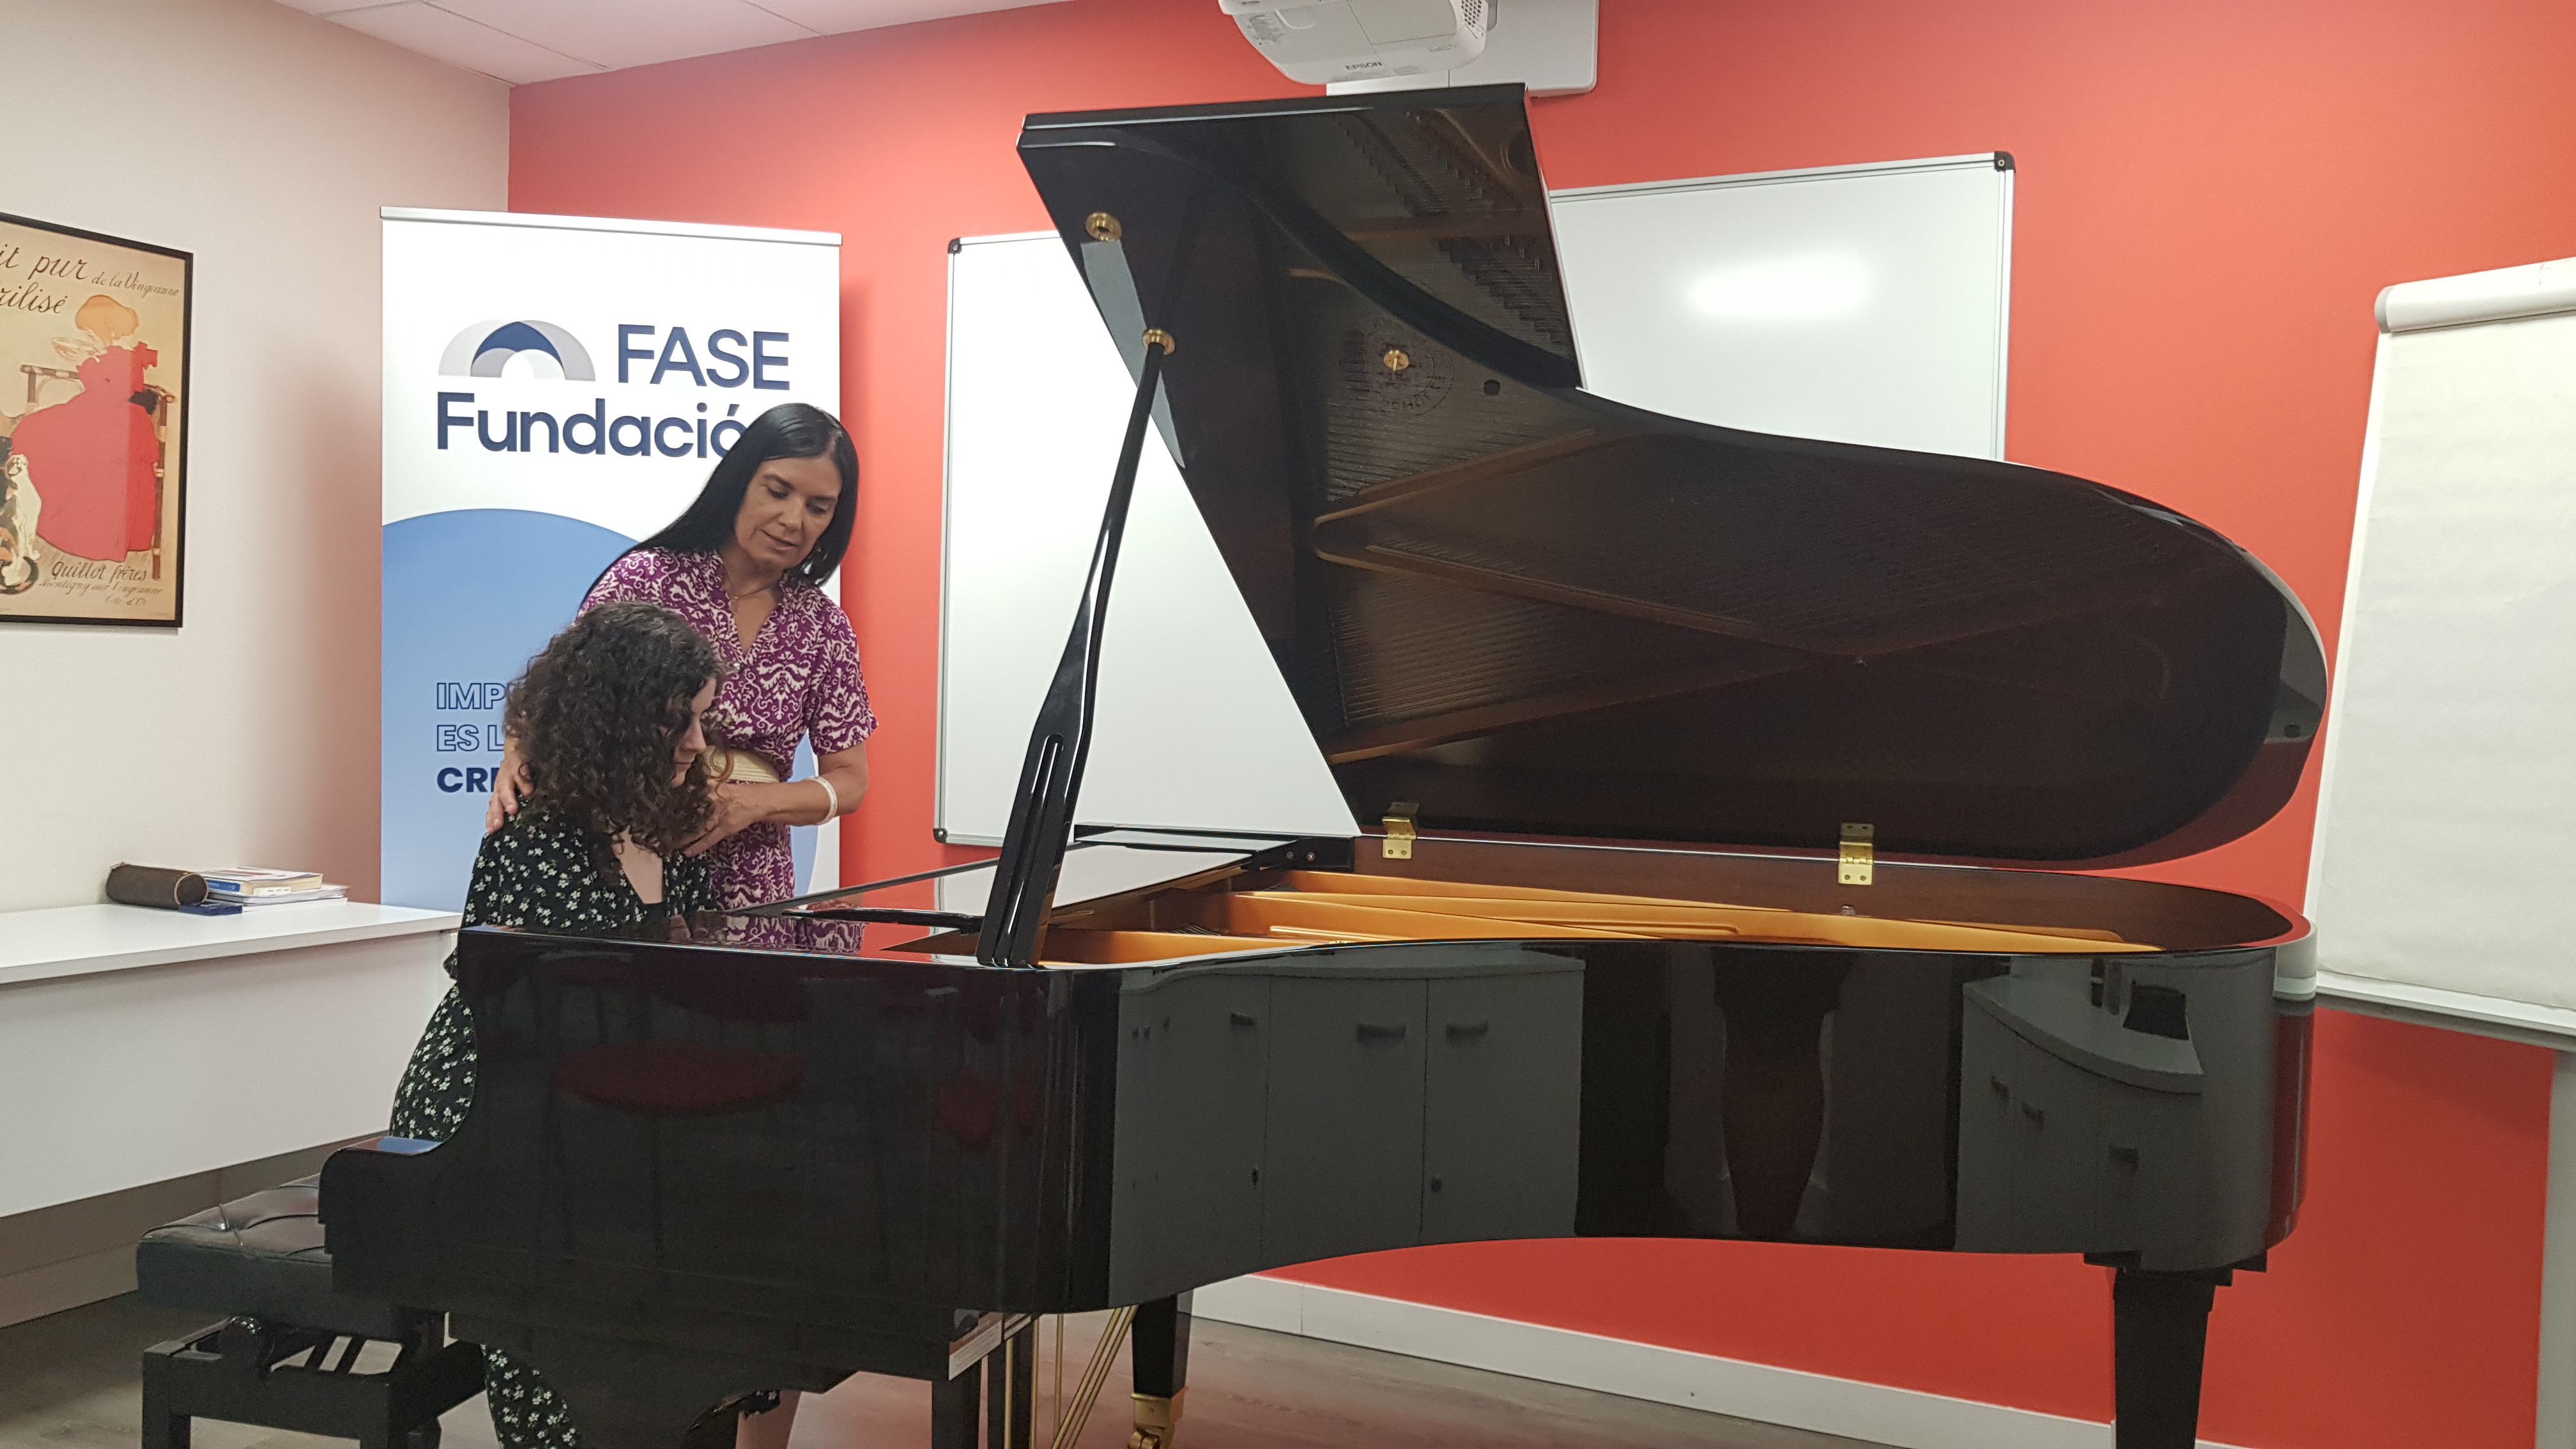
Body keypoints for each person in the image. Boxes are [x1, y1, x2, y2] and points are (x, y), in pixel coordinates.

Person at [390, 601, 727, 1449]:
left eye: (703, 719)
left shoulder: (673, 835)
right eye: (679, 721)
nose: (697, 743)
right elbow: (536, 1037)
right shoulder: (532, 840)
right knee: (566, 1278)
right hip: (490, 1115)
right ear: (620, 723)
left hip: (601, 1109)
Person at [488, 402, 875, 911]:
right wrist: (518, 752)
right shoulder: (644, 579)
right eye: (777, 491)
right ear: (739, 482)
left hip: (753, 876)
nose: (792, 520)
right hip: (628, 853)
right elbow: (564, 694)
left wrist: (752, 803)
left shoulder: (824, 627)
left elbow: (850, 781)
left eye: (818, 508)